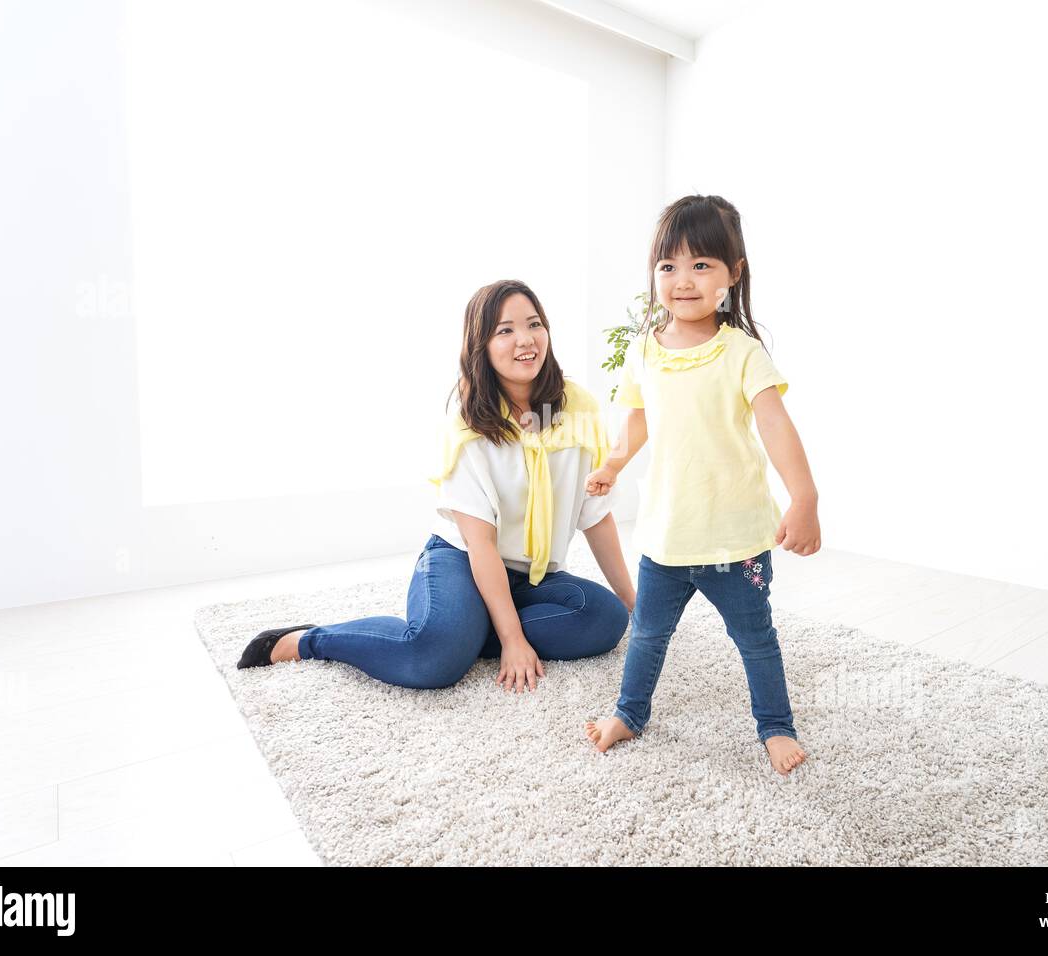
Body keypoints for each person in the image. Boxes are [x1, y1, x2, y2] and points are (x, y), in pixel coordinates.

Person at [238, 279, 633, 692]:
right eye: (505, 330)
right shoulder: (469, 427)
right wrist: (513, 640)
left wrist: (632, 601)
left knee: (605, 620)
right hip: (462, 560)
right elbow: (480, 546)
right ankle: (305, 641)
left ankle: (467, 632)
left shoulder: (578, 408)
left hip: (530, 577)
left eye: (534, 324)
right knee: (432, 661)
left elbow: (596, 514)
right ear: (480, 344)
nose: (525, 340)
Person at [583, 195, 821, 776]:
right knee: (646, 634)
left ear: (732, 274)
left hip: (735, 538)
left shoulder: (741, 352)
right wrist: (613, 465)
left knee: (756, 638)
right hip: (665, 536)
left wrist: (805, 497)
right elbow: (637, 419)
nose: (682, 280)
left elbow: (773, 424)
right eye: (668, 266)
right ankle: (630, 713)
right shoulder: (643, 351)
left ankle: (775, 725)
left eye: (701, 265)